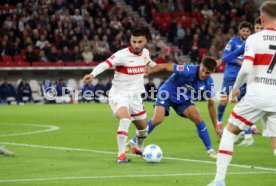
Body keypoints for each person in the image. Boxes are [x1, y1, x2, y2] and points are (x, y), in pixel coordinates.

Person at [208, 2, 276, 185]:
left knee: (230, 132)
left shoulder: (254, 39)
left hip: (257, 94)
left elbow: (246, 68)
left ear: (262, 19)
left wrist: (236, 89)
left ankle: (219, 180)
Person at [83, 28, 157, 163]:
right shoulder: (122, 55)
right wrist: (93, 74)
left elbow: (152, 65)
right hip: (119, 94)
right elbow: (105, 64)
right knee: (125, 119)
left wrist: (170, 70)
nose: (136, 45)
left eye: (140, 42)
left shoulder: (145, 53)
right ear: (130, 40)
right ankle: (121, 155)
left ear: (145, 41)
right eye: (133, 41)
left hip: (135, 97)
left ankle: (139, 148)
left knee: (144, 129)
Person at [127, 57, 222, 158]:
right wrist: (150, 71)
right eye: (203, 70)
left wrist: (216, 126)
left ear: (212, 72)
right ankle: (132, 142)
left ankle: (210, 150)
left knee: (198, 118)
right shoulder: (188, 70)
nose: (203, 74)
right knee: (158, 119)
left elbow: (211, 104)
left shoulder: (209, 83)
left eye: (207, 73)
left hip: (183, 99)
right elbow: (167, 66)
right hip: (167, 93)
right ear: (201, 65)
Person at [219, 18, 264, 146]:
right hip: (254, 77)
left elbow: (238, 61)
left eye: (261, 28)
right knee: (245, 104)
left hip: (253, 77)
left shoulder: (253, 41)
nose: (258, 31)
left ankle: (243, 134)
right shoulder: (252, 41)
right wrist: (222, 60)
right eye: (257, 28)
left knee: (245, 105)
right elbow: (232, 54)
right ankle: (246, 133)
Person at [217, 22, 253, 132]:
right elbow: (226, 57)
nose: (245, 33)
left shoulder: (252, 43)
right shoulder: (233, 42)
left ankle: (247, 130)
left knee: (244, 102)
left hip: (245, 77)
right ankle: (219, 122)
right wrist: (239, 62)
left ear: (250, 32)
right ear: (239, 31)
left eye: (247, 31)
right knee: (223, 100)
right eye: (243, 30)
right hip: (230, 76)